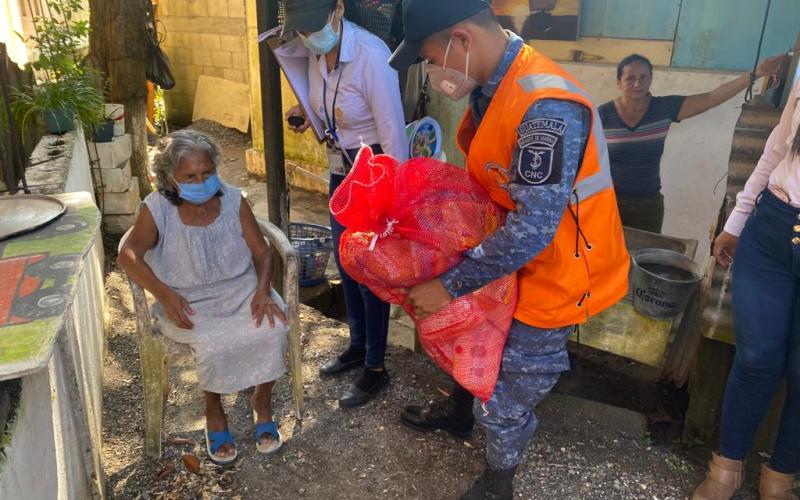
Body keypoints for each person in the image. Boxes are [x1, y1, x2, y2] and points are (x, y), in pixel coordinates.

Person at [389, 1, 630, 498]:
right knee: (470, 337)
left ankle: (499, 480)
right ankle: (459, 414)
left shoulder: (546, 105)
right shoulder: (490, 87)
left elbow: (535, 229)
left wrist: (449, 284)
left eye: (431, 58)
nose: (433, 72)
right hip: (503, 259)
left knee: (507, 394)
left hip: (558, 267)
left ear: (462, 39)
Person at [117, 130, 288, 465]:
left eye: (207, 173)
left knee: (274, 327)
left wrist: (263, 289)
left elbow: (262, 252)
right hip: (185, 297)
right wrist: (164, 294)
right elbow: (128, 255)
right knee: (213, 343)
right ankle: (214, 408)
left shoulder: (233, 199)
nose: (202, 181)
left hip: (241, 288)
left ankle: (262, 402)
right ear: (170, 177)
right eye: (190, 176)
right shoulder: (157, 208)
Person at [282, 0, 408, 407]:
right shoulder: (315, 52)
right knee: (346, 261)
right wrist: (306, 112)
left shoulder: (371, 55)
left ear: (338, 10)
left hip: (375, 168)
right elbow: (328, 102)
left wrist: (396, 197)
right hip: (341, 167)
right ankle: (357, 345)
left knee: (370, 270)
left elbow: (392, 132)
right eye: (301, 30)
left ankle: (376, 368)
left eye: (314, 26)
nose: (309, 36)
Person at [692, 79, 800, 500]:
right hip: (771, 228)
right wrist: (736, 222)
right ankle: (726, 469)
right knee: (757, 357)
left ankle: (781, 477)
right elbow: (777, 146)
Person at [600, 53, 785, 233]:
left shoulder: (664, 108)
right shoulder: (602, 115)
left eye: (643, 77)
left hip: (648, 207)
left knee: (645, 260)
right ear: (619, 83)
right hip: (609, 204)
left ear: (650, 80)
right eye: (630, 78)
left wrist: (756, 74)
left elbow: (712, 98)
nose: (637, 84)